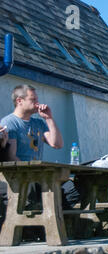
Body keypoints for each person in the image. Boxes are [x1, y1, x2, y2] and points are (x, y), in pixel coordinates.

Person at [0, 85, 64, 240]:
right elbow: (12, 157)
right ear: (20, 101)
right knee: (39, 192)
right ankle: (34, 232)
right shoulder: (10, 123)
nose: (37, 103)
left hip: (38, 176)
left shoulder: (38, 123)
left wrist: (48, 118)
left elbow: (57, 144)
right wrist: (33, 174)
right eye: (33, 99)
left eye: (37, 99)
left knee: (71, 189)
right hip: (20, 177)